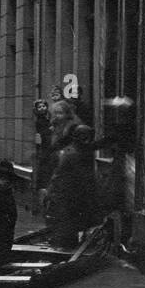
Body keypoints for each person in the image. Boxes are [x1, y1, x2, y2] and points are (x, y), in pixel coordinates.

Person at [41, 103, 101, 249]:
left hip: (68, 192)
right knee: (66, 227)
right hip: (66, 192)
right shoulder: (69, 149)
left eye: (59, 113)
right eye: (54, 113)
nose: (56, 117)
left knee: (67, 226)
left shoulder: (71, 147)